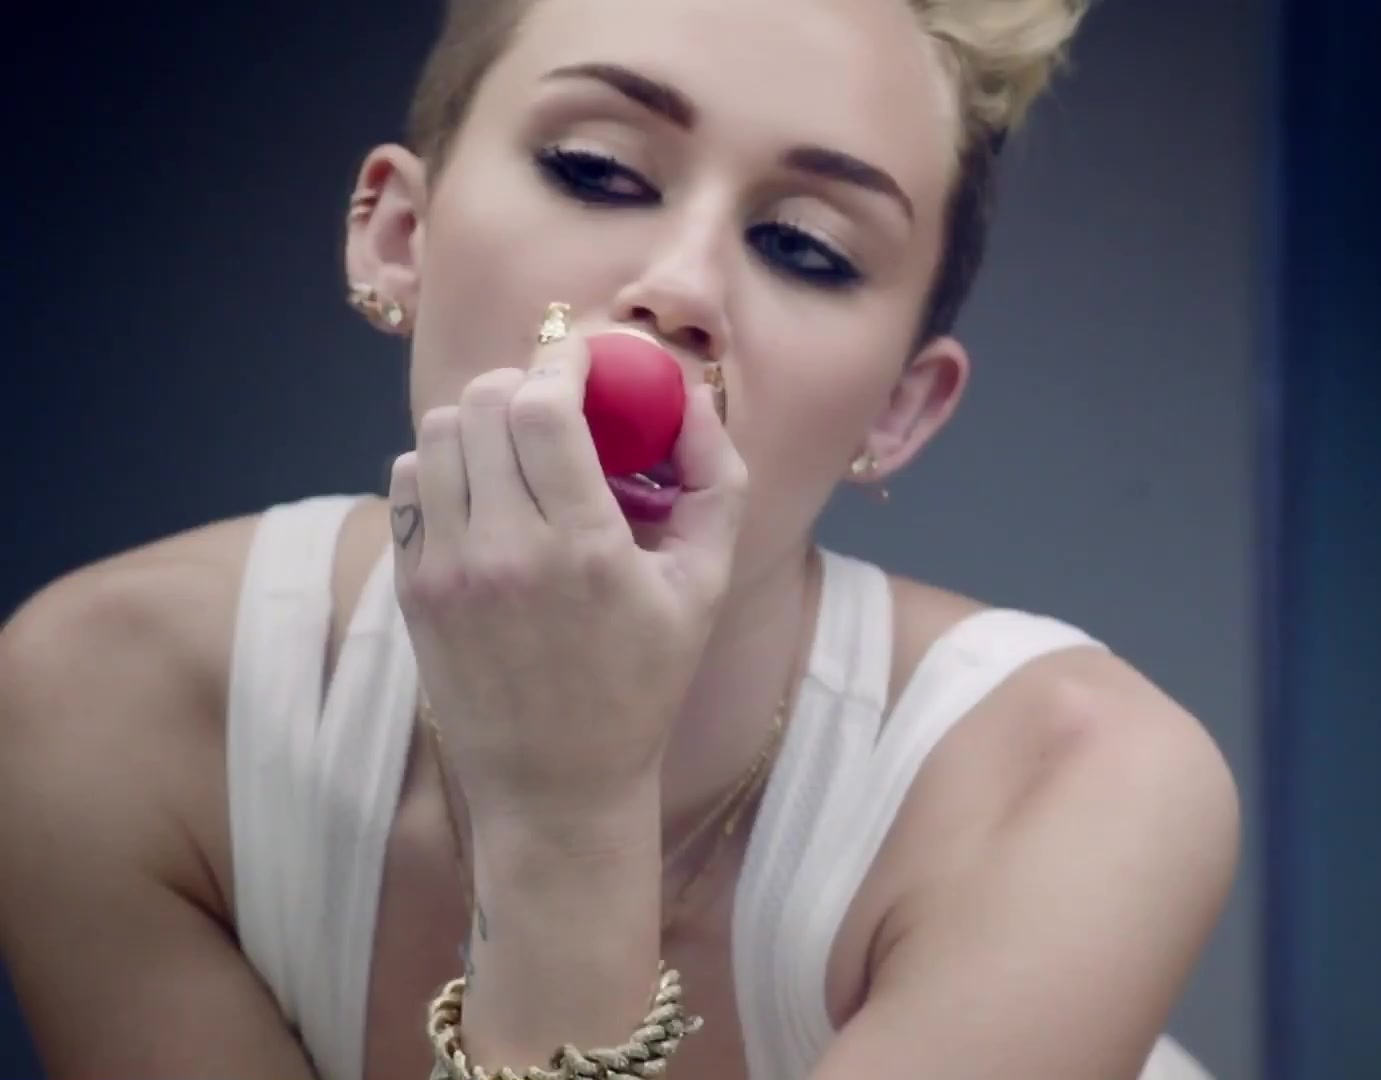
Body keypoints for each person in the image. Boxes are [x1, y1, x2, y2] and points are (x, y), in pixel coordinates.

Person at [0, 0, 1242, 1077]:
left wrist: (566, 813)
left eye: (804, 248)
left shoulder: (1077, 791)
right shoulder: (100, 705)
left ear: (898, 411)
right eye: (595, 170)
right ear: (398, 236)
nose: (682, 289)